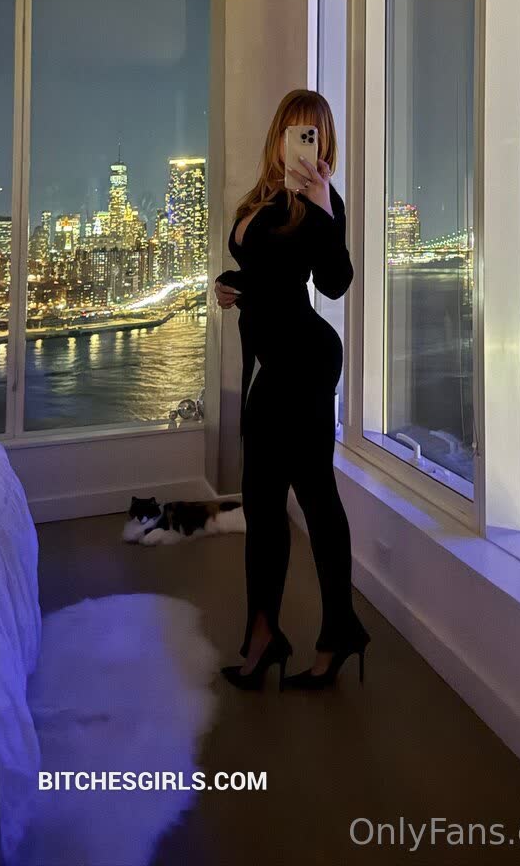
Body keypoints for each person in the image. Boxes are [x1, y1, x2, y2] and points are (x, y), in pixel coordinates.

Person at [214, 88, 370, 691]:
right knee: (261, 503)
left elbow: (334, 283)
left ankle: (336, 634)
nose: (307, 141)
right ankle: (264, 633)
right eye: (297, 130)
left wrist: (324, 205)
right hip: (275, 365)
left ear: (324, 143)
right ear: (279, 135)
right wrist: (230, 287)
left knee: (316, 498)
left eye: (316, 133)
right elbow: (266, 276)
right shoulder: (260, 200)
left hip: (305, 363)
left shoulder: (320, 205)